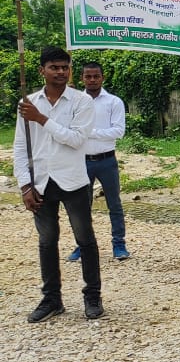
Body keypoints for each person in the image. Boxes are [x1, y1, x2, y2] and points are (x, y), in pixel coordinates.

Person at [15, 47, 102, 322]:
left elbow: (77, 140)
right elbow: (20, 147)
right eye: (54, 67)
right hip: (41, 181)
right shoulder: (29, 103)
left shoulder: (81, 101)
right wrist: (25, 186)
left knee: (85, 239)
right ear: (42, 70)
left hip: (74, 180)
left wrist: (42, 119)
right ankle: (52, 299)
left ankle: (92, 297)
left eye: (65, 67)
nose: (61, 72)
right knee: (47, 241)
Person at [66, 62, 129, 262]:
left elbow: (118, 131)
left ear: (102, 77)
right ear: (82, 78)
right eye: (88, 76)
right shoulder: (74, 101)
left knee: (114, 204)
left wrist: (88, 132)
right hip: (82, 161)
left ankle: (119, 245)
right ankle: (82, 246)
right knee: (81, 206)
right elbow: (67, 128)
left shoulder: (113, 102)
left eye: (96, 76)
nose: (92, 80)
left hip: (106, 160)